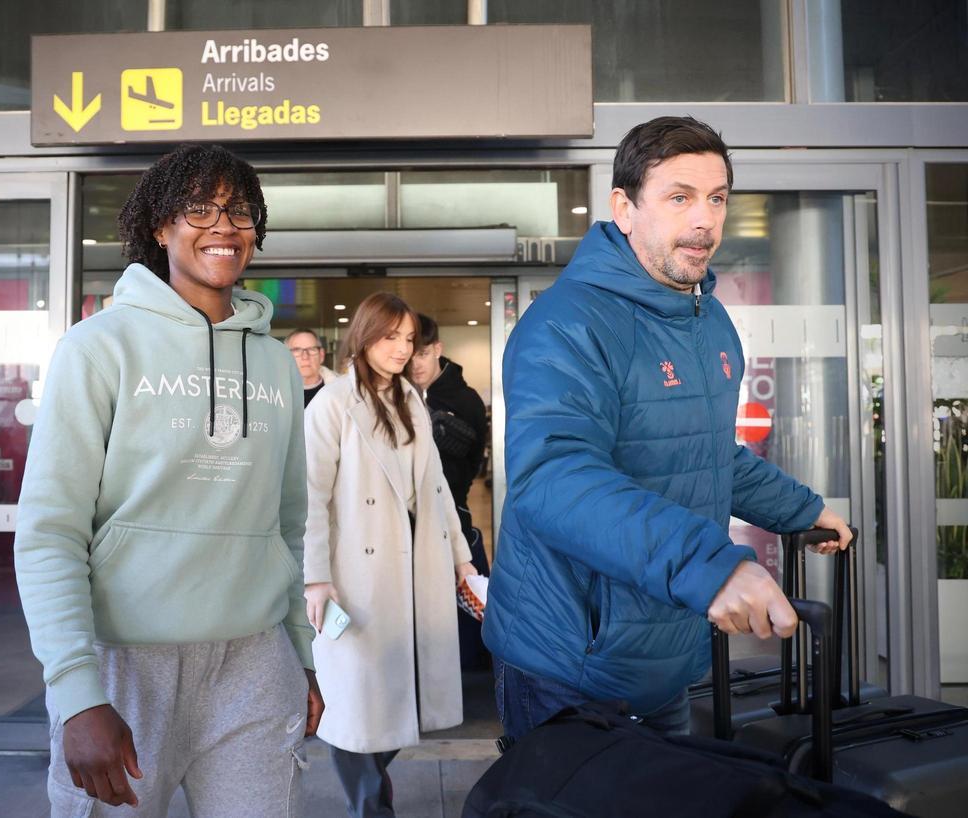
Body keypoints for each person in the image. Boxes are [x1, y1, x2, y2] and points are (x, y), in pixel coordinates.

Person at [483, 116, 853, 741]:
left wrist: (800, 509)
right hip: (570, 663)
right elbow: (553, 478)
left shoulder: (706, 320)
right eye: (679, 197)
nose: (704, 219)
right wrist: (711, 566)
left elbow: (709, 457)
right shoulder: (567, 322)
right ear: (623, 209)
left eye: (716, 199)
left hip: (665, 651)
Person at [14, 143, 322, 817]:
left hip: (253, 661)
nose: (223, 224)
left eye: (239, 209)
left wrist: (300, 653)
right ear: (160, 227)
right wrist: (77, 693)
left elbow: (288, 525)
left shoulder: (273, 363)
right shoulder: (98, 348)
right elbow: (50, 532)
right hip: (125, 663)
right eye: (199, 208)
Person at [303, 292, 477, 817]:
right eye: (390, 337)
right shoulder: (333, 403)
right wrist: (315, 578)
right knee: (354, 702)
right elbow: (308, 494)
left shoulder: (411, 398)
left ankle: (374, 790)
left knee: (404, 694)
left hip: (413, 565)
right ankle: (370, 804)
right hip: (355, 572)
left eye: (408, 339)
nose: (402, 349)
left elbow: (437, 485)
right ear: (364, 335)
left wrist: (460, 556)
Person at [408, 314, 488, 536]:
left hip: (451, 510)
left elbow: (474, 462)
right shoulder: (397, 397)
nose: (415, 365)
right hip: (404, 517)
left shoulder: (466, 400)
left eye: (422, 354)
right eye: (409, 357)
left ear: (437, 349)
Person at [285, 327, 335, 407]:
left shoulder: (341, 390)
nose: (305, 356)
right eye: (297, 350)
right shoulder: (271, 393)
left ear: (321, 355)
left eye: (312, 349)